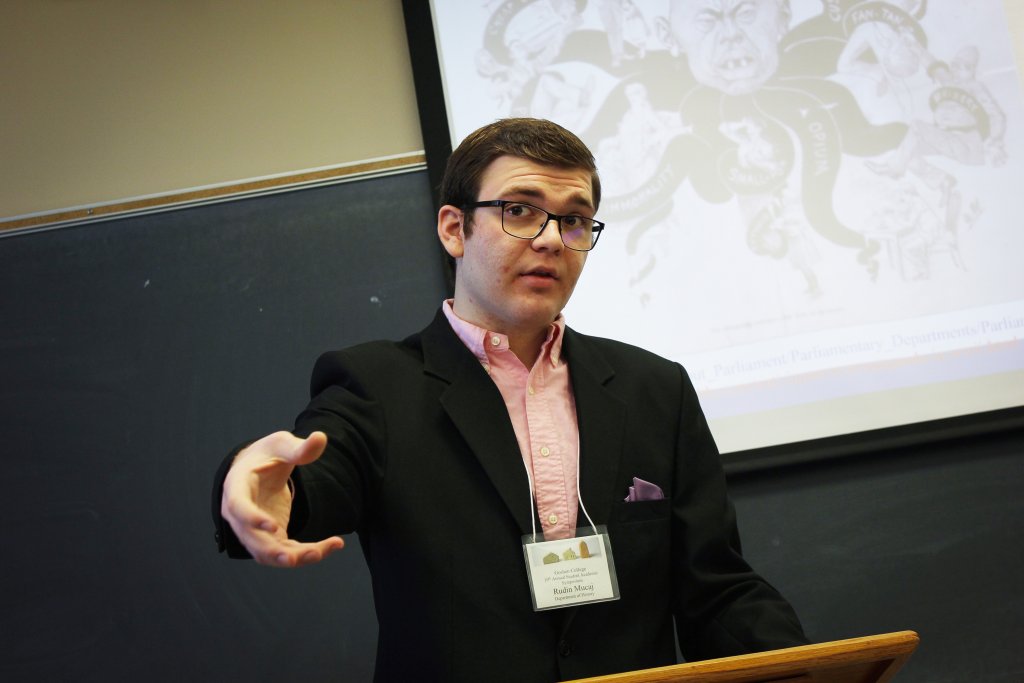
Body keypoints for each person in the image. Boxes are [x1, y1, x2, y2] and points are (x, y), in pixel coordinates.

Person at [213, 117, 808, 682]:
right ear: (454, 228)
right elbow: (314, 477)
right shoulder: (378, 385)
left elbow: (716, 588)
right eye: (520, 211)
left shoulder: (655, 388)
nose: (552, 238)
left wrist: (806, 666)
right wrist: (265, 487)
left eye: (575, 220)